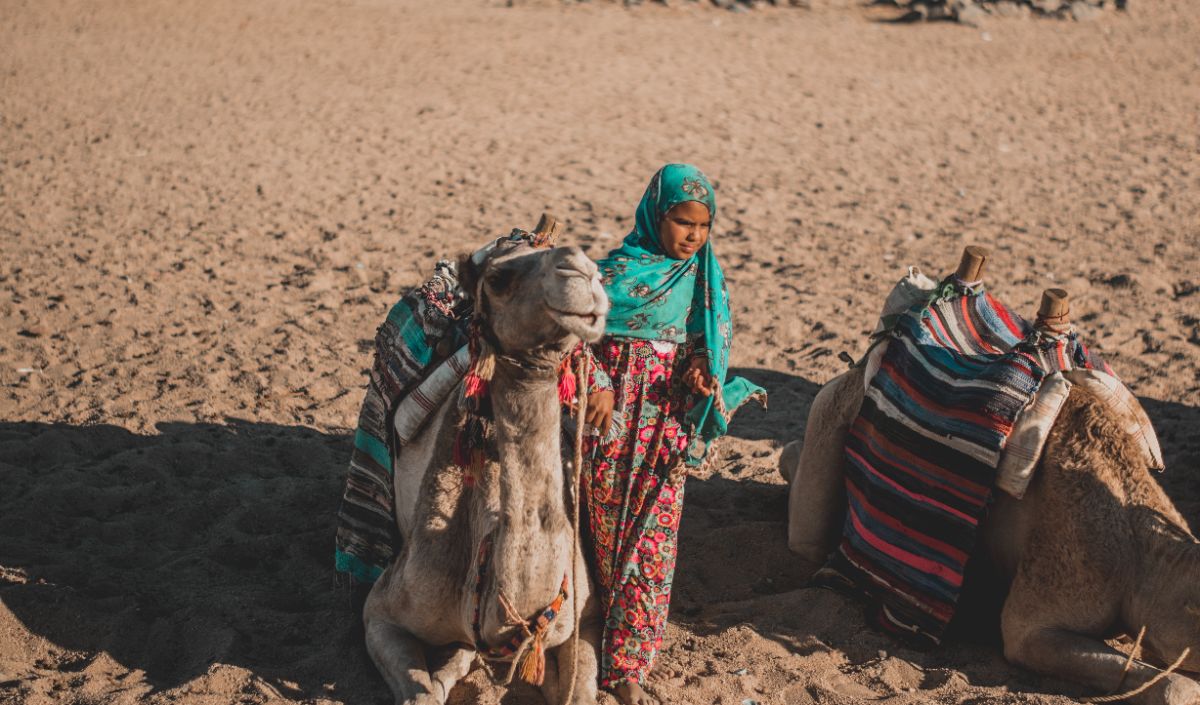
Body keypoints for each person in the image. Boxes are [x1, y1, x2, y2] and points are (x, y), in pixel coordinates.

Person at [580, 164, 764, 705]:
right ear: (655, 215)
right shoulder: (611, 276)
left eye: (704, 227)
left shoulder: (701, 282)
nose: (694, 236)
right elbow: (576, 339)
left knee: (651, 550)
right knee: (598, 538)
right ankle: (589, 640)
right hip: (606, 431)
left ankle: (629, 666)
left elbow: (698, 350)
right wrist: (597, 381)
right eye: (683, 222)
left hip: (664, 431)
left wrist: (700, 375)